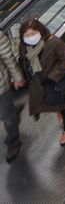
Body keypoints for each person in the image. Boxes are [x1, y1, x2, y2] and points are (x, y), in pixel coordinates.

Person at [19, 19, 65, 146]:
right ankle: (59, 112)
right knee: (52, 102)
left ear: (40, 31)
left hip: (57, 82)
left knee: (64, 106)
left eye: (33, 33)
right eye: (27, 35)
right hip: (39, 82)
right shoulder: (24, 45)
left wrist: (53, 76)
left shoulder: (54, 42)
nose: (30, 37)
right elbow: (23, 62)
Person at [1, 27, 26, 161]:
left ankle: (14, 143)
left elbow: (9, 59)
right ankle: (15, 109)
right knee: (5, 115)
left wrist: (17, 77)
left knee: (7, 117)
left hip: (1, 86)